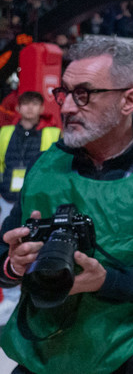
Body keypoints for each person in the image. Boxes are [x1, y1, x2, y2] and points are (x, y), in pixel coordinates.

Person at [0, 36, 133, 373]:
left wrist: (109, 281)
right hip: (41, 356)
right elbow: (3, 254)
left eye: (83, 95)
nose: (66, 107)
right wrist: (13, 266)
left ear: (128, 100)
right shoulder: (44, 166)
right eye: (63, 93)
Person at [0, 91, 60, 324]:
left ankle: (35, 294)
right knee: (8, 246)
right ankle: (12, 296)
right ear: (18, 108)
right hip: (6, 197)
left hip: (36, 201)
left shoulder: (52, 133)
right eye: (25, 104)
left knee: (35, 246)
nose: (29, 109)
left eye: (34, 104)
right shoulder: (5, 133)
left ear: (41, 107)